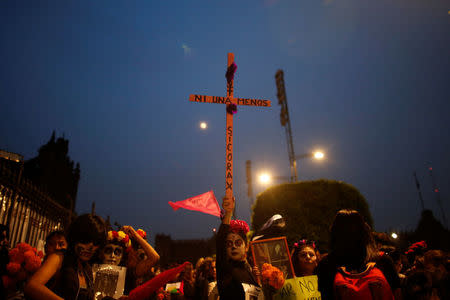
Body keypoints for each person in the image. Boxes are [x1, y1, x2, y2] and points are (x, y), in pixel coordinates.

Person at [316, 209, 398, 300]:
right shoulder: (383, 261)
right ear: (365, 233)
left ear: (334, 233)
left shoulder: (325, 265)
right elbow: (397, 294)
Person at [25, 213, 107, 300]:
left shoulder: (87, 269)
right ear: (75, 237)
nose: (90, 247)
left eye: (96, 242)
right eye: (85, 240)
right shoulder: (59, 257)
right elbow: (32, 287)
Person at [216, 196, 259, 300]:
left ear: (247, 247)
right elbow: (221, 240)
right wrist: (229, 213)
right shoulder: (225, 268)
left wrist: (258, 280)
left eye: (238, 242)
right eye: (229, 244)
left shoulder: (251, 270)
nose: (233, 246)